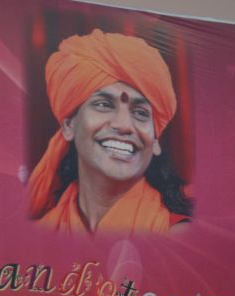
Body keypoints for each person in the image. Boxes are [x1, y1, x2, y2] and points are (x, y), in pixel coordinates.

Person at [26, 29, 192, 235]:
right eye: (103, 104)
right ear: (69, 126)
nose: (123, 125)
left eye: (140, 113)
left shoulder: (179, 235)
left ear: (155, 140)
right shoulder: (38, 235)